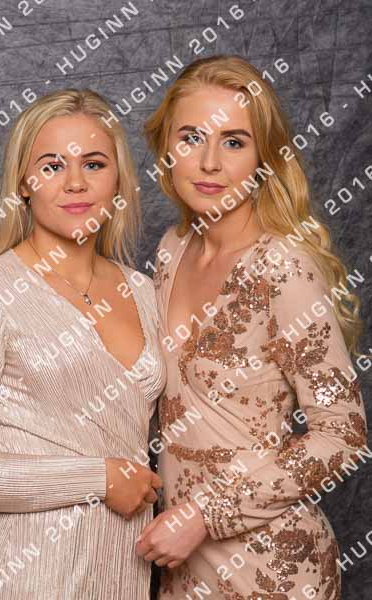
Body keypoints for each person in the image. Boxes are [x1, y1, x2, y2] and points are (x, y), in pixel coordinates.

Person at [136, 55, 369, 599]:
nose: (209, 162)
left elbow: (343, 435)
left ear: (264, 156)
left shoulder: (282, 266)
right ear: (166, 147)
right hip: (181, 565)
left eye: (234, 142)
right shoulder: (172, 249)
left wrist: (205, 515)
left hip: (274, 567)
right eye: (191, 138)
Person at [0, 88, 167, 599]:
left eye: (94, 164)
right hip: (15, 578)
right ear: (24, 182)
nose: (75, 182)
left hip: (118, 577)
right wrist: (97, 479)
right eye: (53, 165)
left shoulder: (145, 291)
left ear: (118, 180)